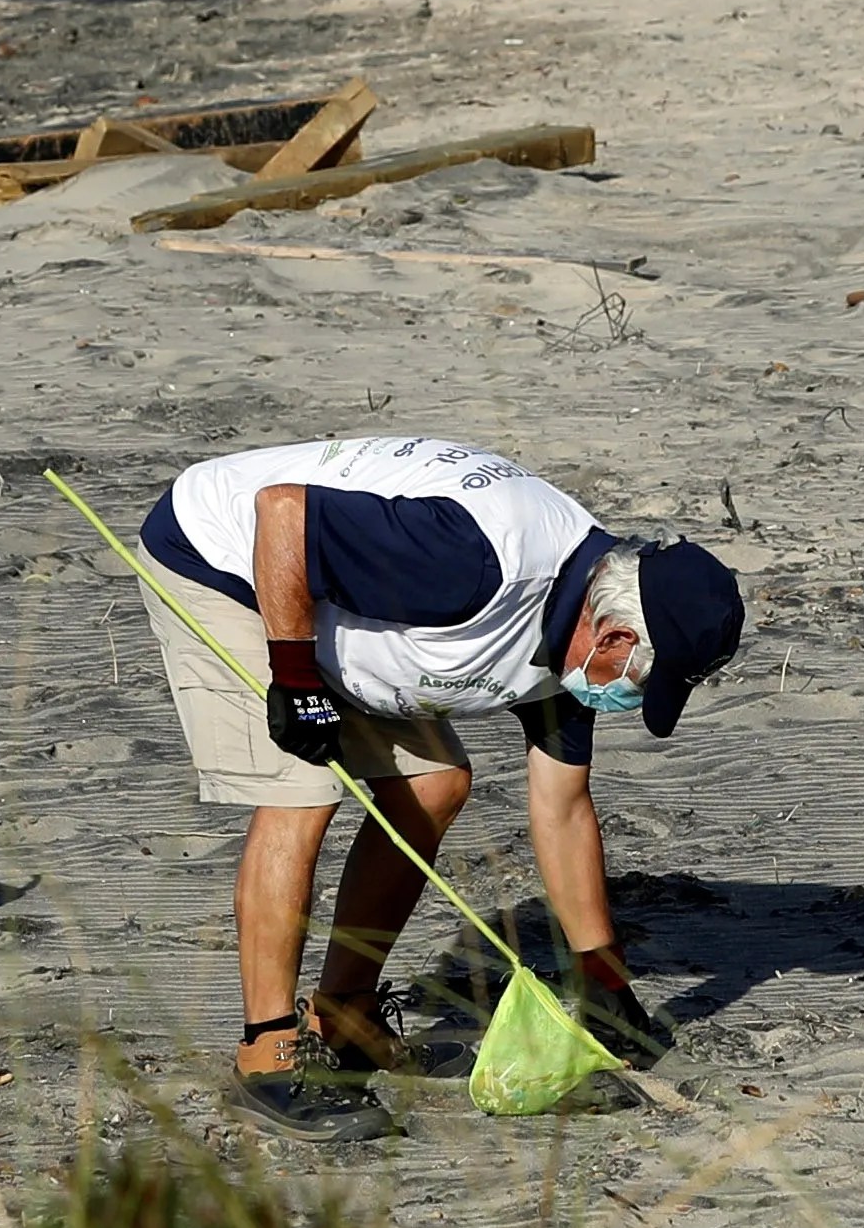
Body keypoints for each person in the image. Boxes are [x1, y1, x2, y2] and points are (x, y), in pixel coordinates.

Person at [131, 436, 745, 1145]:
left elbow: (562, 807)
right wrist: (295, 679)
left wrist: (603, 983)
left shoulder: (582, 625)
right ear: (609, 637)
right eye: (642, 681)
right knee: (302, 789)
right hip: (223, 558)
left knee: (436, 783)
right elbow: (283, 513)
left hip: (322, 584)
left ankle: (346, 1017)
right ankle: (267, 1055)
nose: (631, 700)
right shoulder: (475, 565)